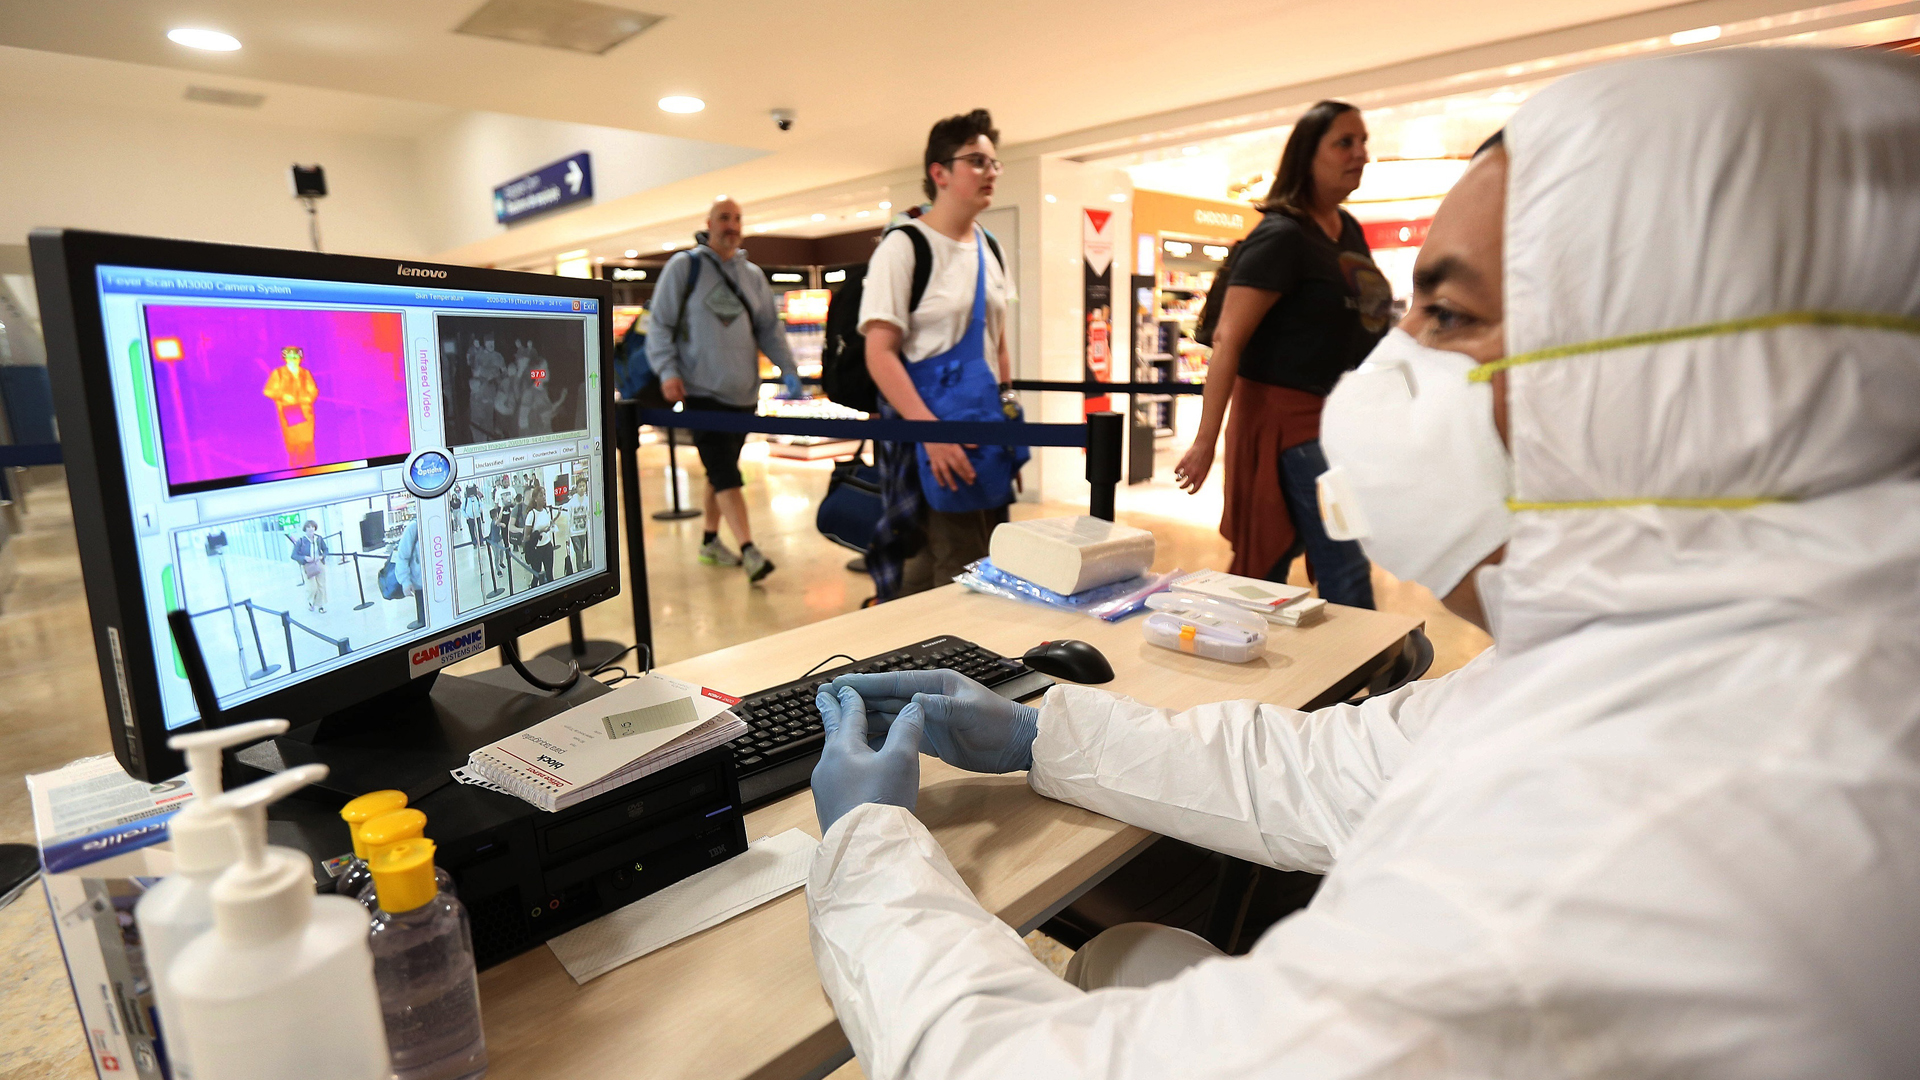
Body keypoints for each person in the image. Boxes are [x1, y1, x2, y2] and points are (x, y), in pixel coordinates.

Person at [802, 49, 1920, 1077]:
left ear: (1674, 366)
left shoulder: (1638, 834)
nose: (1391, 374)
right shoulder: (1719, 656)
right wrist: (1044, 726)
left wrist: (865, 852)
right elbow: (1332, 769)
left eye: (1448, 314)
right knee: (1141, 948)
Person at [1173, 100, 1390, 608]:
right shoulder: (1282, 236)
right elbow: (1229, 338)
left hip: (1332, 418)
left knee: (1272, 560)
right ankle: (1368, 683)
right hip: (1284, 424)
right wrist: (1206, 442)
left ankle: (1238, 650)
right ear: (1306, 157)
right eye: (1344, 142)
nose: (1360, 154)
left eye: (1364, 142)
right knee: (1345, 560)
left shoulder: (1347, 229)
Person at [860, 109, 1024, 601]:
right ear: (939, 172)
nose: (991, 172)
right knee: (960, 566)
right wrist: (931, 434)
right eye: (977, 161)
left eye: (995, 162)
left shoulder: (990, 246)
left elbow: (997, 340)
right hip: (928, 431)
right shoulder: (905, 247)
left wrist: (1008, 404)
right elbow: (879, 352)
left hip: (984, 426)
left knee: (974, 555)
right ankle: (938, 669)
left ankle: (903, 654)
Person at [646, 197, 802, 584]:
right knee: (726, 472)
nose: (731, 225)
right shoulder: (686, 267)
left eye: (737, 219)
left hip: (744, 394)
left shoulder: (752, 275)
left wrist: (790, 370)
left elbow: (769, 328)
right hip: (701, 393)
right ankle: (750, 550)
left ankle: (710, 541)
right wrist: (667, 371)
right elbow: (660, 325)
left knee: (720, 472)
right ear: (708, 222)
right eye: (723, 218)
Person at [262, 345, 319, 468]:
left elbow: (313, 389)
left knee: (307, 440)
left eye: (296, 357)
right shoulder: (279, 373)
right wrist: (283, 396)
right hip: (290, 412)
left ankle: (309, 467)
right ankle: (295, 468)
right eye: (291, 357)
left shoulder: (305, 373)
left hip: (306, 410)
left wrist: (309, 397)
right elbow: (268, 391)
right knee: (293, 441)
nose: (294, 360)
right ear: (286, 359)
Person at [392, 514, 424, 631]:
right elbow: (402, 556)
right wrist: (405, 581)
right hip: (419, 581)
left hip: (437, 580)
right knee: (423, 612)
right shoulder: (413, 527)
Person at [291, 519, 328, 614]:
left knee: (321, 585)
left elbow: (326, 550)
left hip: (319, 563)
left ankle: (321, 605)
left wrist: (321, 556)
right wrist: (304, 558)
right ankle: (311, 602)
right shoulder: (301, 541)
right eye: (309, 527)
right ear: (305, 529)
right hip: (308, 566)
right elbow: (294, 555)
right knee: (312, 587)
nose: (311, 529)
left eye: (312, 527)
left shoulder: (319, 538)